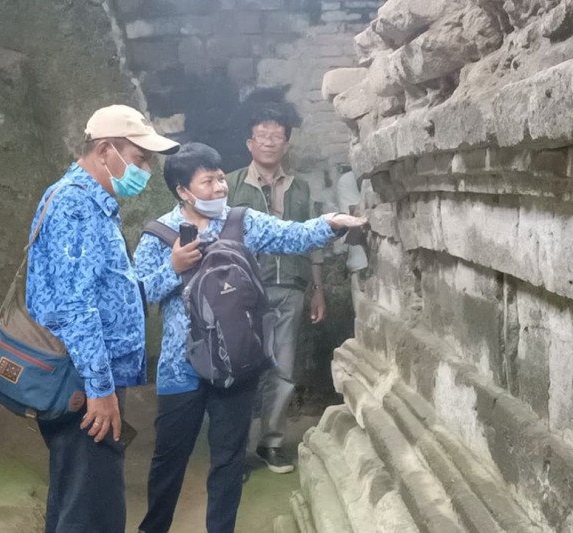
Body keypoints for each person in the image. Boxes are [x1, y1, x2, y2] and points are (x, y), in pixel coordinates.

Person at [134, 142, 365, 533]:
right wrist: (172, 267)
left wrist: (329, 223)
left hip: (236, 360)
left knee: (228, 459)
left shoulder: (241, 222)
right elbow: (138, 293)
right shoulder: (158, 235)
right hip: (181, 367)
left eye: (221, 177)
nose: (220, 187)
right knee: (170, 459)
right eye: (208, 181)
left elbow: (291, 235)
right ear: (182, 191)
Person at [26, 104, 179, 533]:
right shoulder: (75, 205)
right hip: (81, 380)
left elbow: (110, 291)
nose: (145, 169)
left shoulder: (94, 203)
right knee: (93, 507)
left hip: (89, 376)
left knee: (79, 495)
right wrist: (100, 389)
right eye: (139, 158)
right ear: (106, 150)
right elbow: (76, 304)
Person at [226, 105, 323, 474]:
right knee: (240, 367)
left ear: (286, 144)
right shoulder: (232, 184)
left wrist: (317, 287)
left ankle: (271, 444)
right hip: (244, 290)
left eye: (277, 136)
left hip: (291, 288)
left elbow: (313, 238)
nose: (269, 142)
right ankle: (234, 450)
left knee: (282, 370)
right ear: (250, 143)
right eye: (262, 135)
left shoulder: (300, 187)